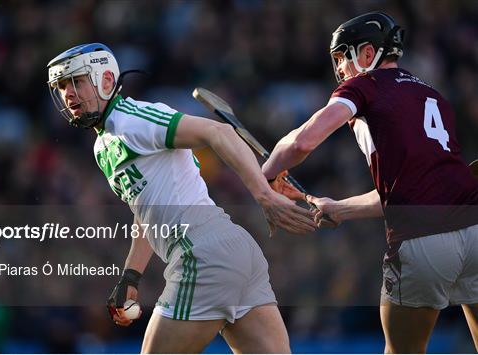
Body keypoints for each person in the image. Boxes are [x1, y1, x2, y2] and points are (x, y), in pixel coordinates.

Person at [47, 43, 316, 353]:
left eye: (77, 81)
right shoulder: (103, 145)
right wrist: (131, 275)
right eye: (63, 86)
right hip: (236, 251)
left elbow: (220, 133)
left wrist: (263, 194)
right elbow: (145, 211)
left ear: (106, 81)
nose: (68, 94)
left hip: (202, 254)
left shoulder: (134, 119)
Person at [261, 12, 478, 354]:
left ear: (366, 54)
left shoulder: (365, 85)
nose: (340, 69)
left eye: (342, 57)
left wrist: (266, 177)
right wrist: (341, 209)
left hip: (421, 241)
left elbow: (302, 142)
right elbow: (416, 187)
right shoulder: (433, 96)